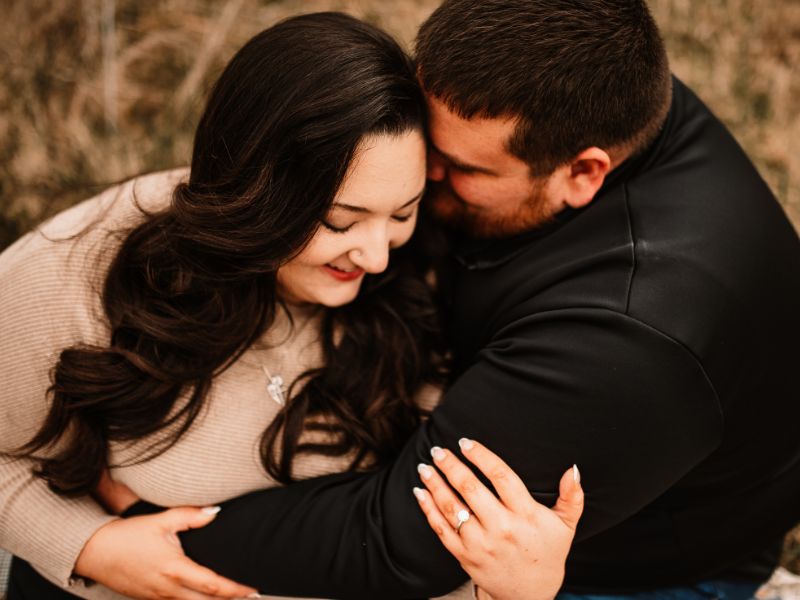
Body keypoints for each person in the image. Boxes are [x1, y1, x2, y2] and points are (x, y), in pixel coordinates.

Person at [98, 0, 797, 598]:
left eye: (458, 168)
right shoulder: (578, 83)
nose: (421, 173)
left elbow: (400, 539)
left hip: (632, 567)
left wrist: (163, 527)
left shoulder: (631, 333)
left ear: (584, 173)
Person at [0, 12, 583, 600]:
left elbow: (427, 539)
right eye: (340, 221)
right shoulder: (86, 267)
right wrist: (85, 545)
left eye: (403, 213)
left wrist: (515, 592)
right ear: (257, 194)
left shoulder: (420, 281)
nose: (378, 256)